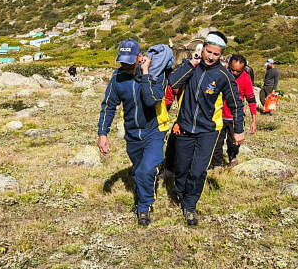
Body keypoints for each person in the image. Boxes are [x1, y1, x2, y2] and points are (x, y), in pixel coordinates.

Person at [168, 31, 245, 226]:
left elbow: (236, 103)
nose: (211, 57)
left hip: (207, 131)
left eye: (216, 54)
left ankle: (190, 205)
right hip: (184, 127)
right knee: (182, 169)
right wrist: (190, 63)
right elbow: (173, 82)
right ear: (202, 50)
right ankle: (180, 193)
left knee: (198, 170)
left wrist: (238, 129)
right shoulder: (191, 67)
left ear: (221, 55)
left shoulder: (223, 76)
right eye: (208, 52)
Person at [97, 39, 170, 226]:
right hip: (132, 134)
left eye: (130, 61)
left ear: (140, 57)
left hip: (153, 131)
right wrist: (102, 134)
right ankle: (147, 190)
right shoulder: (117, 78)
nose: (126, 65)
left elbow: (151, 100)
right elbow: (108, 106)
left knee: (145, 170)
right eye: (123, 61)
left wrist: (145, 73)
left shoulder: (155, 73)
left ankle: (144, 207)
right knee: (139, 172)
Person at [211, 54, 257, 169]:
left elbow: (251, 99)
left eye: (238, 71)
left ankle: (232, 158)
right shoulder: (222, 75)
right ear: (229, 65)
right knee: (217, 141)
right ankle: (217, 164)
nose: (235, 73)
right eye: (232, 70)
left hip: (235, 117)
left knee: (233, 142)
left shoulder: (246, 78)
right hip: (219, 115)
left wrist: (254, 120)